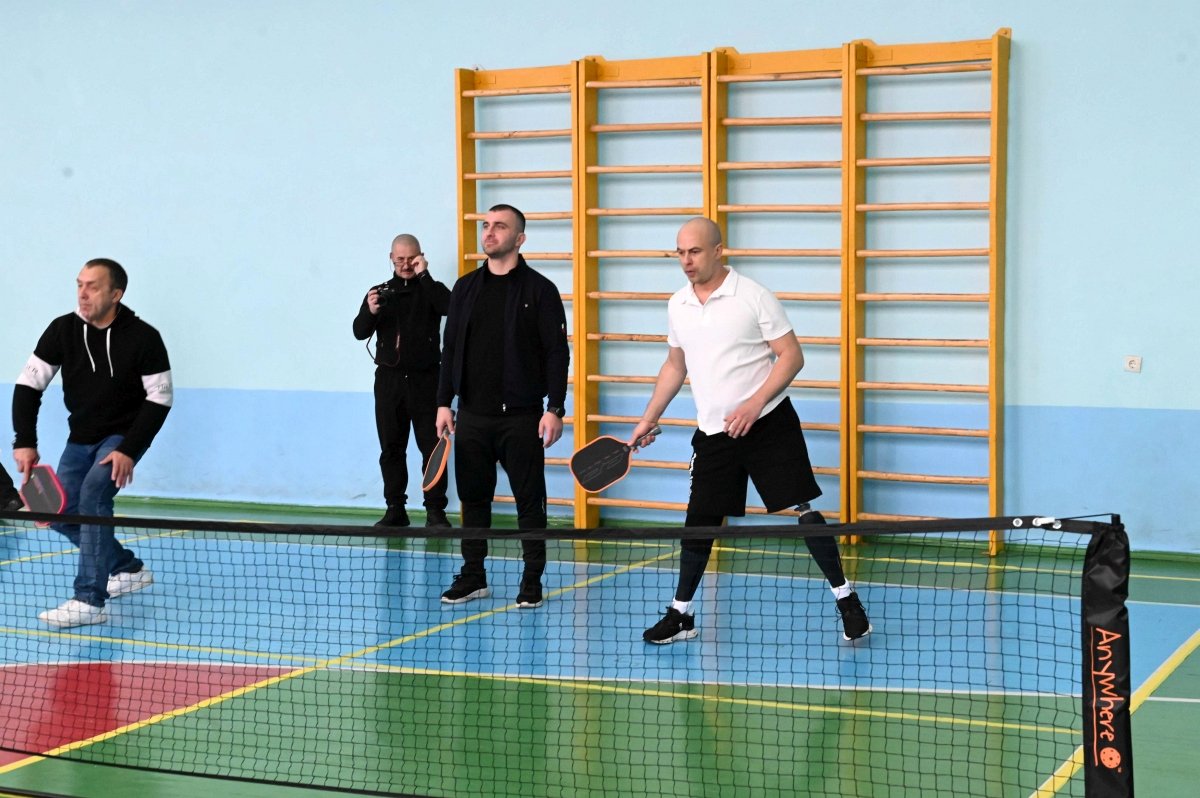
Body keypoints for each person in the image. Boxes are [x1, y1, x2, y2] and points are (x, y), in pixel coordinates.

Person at [630, 218, 871, 644]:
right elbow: (675, 365)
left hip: (768, 424)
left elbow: (791, 356)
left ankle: (847, 600)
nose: (686, 261)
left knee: (804, 508)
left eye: (695, 251)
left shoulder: (753, 296)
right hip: (714, 433)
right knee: (698, 522)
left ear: (718, 250)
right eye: (680, 252)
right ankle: (681, 614)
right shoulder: (678, 304)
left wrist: (754, 403)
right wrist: (649, 418)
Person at [12, 258, 173, 629]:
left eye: (93, 286)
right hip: (80, 436)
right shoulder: (62, 330)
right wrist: (25, 441)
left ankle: (89, 599)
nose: (83, 294)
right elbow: (28, 386)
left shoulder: (144, 337)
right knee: (57, 510)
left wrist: (129, 450)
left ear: (116, 294)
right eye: (79, 285)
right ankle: (125, 567)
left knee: (94, 495)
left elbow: (159, 398)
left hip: (121, 438)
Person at [435, 204, 569, 609]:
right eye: (486, 226)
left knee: (531, 503)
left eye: (499, 226)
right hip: (472, 416)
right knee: (474, 500)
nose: (489, 232)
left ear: (520, 238)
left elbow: (556, 353)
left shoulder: (540, 290)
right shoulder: (464, 288)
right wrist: (444, 402)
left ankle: (532, 580)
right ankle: (474, 576)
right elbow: (450, 348)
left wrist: (555, 407)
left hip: (523, 417)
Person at [353, 234, 452, 528]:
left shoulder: (431, 289)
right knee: (391, 449)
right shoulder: (379, 293)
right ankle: (395, 508)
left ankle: (435, 512)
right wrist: (370, 311)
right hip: (389, 383)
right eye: (401, 259)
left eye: (412, 259)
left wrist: (425, 275)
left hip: (427, 382)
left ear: (421, 256)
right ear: (391, 258)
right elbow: (359, 331)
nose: (406, 264)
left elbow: (449, 307)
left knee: (432, 448)